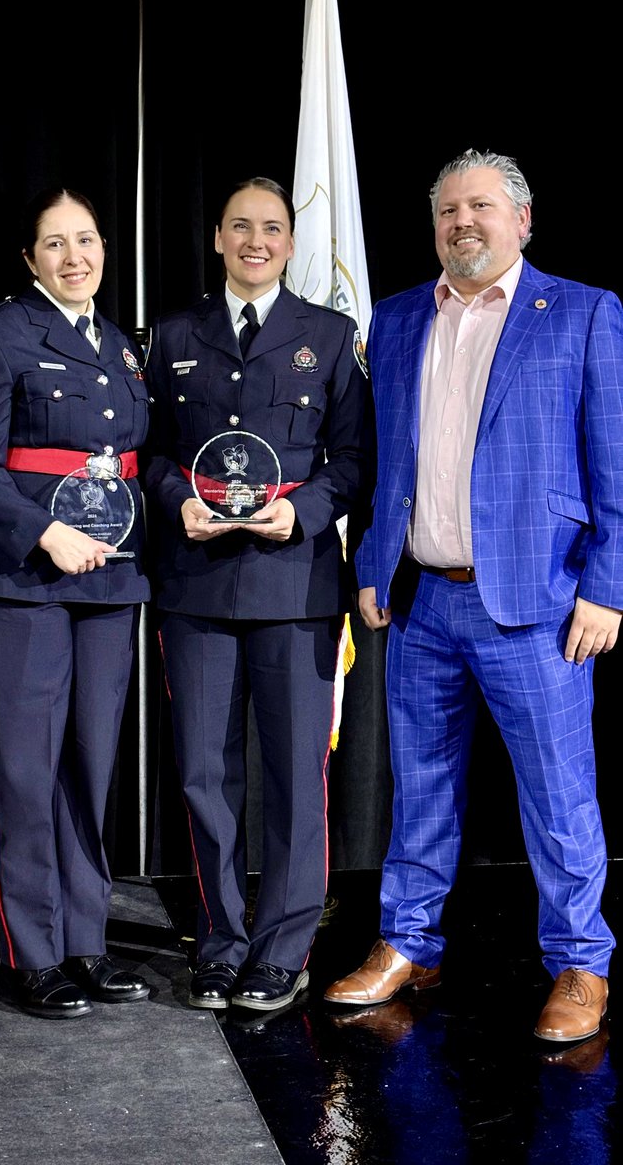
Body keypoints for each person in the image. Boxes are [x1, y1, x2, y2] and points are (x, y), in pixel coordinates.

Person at [323, 149, 621, 1044]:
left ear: (522, 220)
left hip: (538, 602)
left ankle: (580, 961)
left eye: (482, 206)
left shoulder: (580, 312)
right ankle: (409, 942)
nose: (464, 222)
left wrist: (606, 587)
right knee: (419, 789)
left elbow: (612, 464)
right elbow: (388, 463)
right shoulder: (401, 315)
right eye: (449, 208)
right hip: (424, 602)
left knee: (558, 795)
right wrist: (375, 565)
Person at [144, 176, 371, 1013]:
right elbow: (153, 453)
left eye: (272, 228)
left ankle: (283, 947)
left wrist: (302, 513)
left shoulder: (331, 335)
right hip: (197, 585)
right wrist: (177, 502)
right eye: (240, 226)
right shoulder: (173, 335)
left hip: (296, 584)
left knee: (294, 776)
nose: (255, 241)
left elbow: (351, 461)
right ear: (217, 237)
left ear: (290, 241)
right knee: (205, 774)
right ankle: (219, 939)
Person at [0, 188, 152, 1020]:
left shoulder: (127, 349)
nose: (76, 256)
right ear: (29, 260)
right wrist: (43, 534)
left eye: (88, 239)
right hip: (23, 581)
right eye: (55, 244)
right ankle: (30, 954)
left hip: (111, 578)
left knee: (91, 764)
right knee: (25, 771)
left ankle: (86, 942)